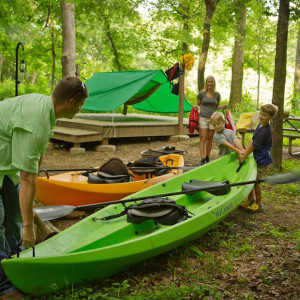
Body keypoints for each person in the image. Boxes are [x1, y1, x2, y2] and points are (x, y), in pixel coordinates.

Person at [0, 77, 89, 299]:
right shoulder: (36, 122)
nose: (80, 110)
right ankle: (3, 286)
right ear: (70, 101)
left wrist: (26, 213)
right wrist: (30, 227)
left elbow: (35, 165)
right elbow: (28, 178)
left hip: (6, 167)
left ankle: (19, 264)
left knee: (14, 218)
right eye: (80, 105)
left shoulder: (47, 111)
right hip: (5, 166)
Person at [240, 103, 278, 212]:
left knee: (256, 182)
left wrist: (245, 154)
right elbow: (252, 139)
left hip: (261, 160)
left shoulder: (265, 130)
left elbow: (254, 146)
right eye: (261, 113)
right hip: (255, 158)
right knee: (250, 180)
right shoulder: (260, 125)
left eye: (264, 115)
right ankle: (250, 199)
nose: (261, 116)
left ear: (271, 117)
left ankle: (259, 203)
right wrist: (245, 151)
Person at [195, 75, 227, 165]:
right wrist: (196, 107)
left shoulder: (217, 94)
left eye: (211, 82)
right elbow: (198, 104)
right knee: (203, 138)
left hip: (213, 119)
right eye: (208, 82)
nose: (210, 83)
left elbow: (217, 107)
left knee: (210, 139)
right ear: (206, 83)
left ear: (214, 83)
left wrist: (222, 107)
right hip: (203, 118)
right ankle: (203, 158)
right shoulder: (201, 93)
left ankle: (207, 157)